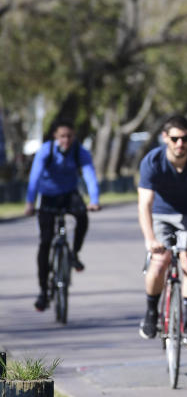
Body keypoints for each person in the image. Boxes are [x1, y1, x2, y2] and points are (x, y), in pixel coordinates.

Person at [136, 115, 187, 346]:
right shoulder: (152, 161)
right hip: (161, 214)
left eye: (184, 138)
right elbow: (144, 203)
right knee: (159, 260)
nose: (179, 143)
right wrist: (150, 239)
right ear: (165, 137)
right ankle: (150, 312)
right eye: (174, 138)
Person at [25, 120, 101, 311]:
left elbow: (89, 174)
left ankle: (74, 254)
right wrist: (30, 203)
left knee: (83, 217)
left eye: (69, 136)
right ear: (55, 137)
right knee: (45, 242)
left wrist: (94, 200)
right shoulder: (46, 150)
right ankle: (43, 292)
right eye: (62, 136)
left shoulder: (79, 151)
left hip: (69, 194)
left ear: (74, 136)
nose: (66, 140)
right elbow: (35, 176)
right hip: (49, 196)